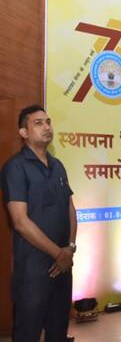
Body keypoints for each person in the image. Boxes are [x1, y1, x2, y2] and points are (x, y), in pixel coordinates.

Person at [1, 105, 76, 342]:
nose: (47, 127)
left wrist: (70, 247)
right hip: (33, 271)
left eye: (48, 121)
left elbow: (70, 208)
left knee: (58, 332)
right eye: (38, 123)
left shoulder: (58, 165)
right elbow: (20, 222)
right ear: (23, 132)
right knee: (27, 334)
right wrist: (58, 253)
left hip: (63, 267)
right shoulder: (15, 167)